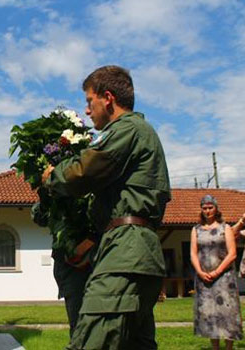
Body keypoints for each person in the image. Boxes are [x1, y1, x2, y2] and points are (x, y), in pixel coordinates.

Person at [42, 65, 171, 350]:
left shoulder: (127, 129)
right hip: (138, 252)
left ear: (108, 98)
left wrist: (53, 177)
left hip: (125, 253)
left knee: (90, 342)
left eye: (90, 101)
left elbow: (84, 172)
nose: (87, 111)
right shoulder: (141, 131)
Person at [31, 202, 91, 338]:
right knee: (78, 323)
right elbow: (39, 216)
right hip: (71, 266)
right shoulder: (59, 195)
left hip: (95, 260)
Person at [190, 195, 243, 350]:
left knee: (228, 312)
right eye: (205, 208)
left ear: (216, 208)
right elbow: (193, 253)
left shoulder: (225, 228)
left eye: (210, 207)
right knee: (209, 312)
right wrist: (200, 272)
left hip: (225, 278)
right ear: (201, 210)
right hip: (204, 278)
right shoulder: (196, 230)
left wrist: (217, 271)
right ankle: (215, 348)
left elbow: (232, 253)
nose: (207, 211)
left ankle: (228, 347)